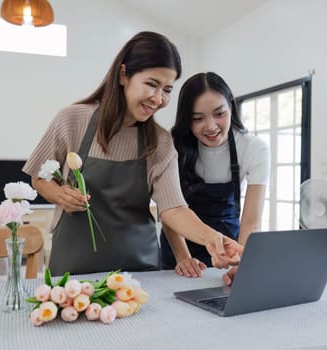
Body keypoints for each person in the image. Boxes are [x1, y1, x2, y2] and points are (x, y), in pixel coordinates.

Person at [22, 32, 242, 276]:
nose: (158, 98)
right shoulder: (73, 120)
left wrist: (212, 237)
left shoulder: (161, 143)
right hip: (73, 273)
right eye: (151, 84)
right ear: (123, 75)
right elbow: (38, 177)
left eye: (167, 89)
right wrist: (59, 194)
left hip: (139, 275)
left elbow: (173, 209)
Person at [160, 72, 269, 284]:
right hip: (179, 249)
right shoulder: (171, 145)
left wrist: (242, 263)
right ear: (186, 119)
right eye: (198, 118)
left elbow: (250, 221)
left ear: (231, 106)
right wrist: (184, 258)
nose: (210, 126)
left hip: (228, 248)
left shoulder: (253, 148)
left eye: (219, 113)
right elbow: (170, 209)